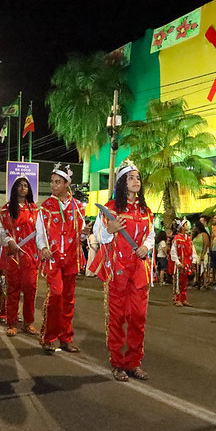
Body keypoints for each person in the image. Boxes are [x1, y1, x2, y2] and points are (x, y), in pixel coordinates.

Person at [91, 160, 155, 382]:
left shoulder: (145, 210)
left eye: (137, 178)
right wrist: (110, 229)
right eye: (131, 178)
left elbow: (151, 234)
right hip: (116, 269)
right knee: (117, 318)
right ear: (121, 182)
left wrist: (146, 246)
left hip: (138, 270)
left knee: (138, 317)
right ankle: (118, 363)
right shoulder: (110, 208)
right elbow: (99, 235)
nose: (136, 181)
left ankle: (134, 362)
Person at [37, 164, 87, 353]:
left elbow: (80, 234)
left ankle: (66, 338)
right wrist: (43, 247)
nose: (53, 185)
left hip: (72, 259)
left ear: (67, 184)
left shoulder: (77, 207)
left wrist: (84, 234)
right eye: (52, 182)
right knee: (56, 295)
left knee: (69, 299)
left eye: (58, 182)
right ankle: (48, 337)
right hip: (54, 258)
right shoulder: (46, 206)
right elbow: (39, 231)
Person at [0, 176, 41, 337]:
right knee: (12, 291)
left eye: (26, 185)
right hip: (13, 257)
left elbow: (41, 234)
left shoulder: (35, 210)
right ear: (15, 188)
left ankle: (28, 323)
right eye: (20, 185)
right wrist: (8, 241)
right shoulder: (6, 209)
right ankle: (12, 323)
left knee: (31, 291)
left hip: (30, 257)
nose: (23, 187)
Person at [169, 220, 196, 307]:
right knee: (178, 282)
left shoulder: (188, 238)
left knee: (184, 282)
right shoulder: (177, 239)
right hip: (180, 263)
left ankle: (183, 298)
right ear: (181, 227)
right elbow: (173, 252)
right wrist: (177, 262)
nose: (188, 226)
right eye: (186, 224)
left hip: (187, 263)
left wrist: (194, 260)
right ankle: (177, 299)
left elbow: (192, 250)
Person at [191, 221, 210, 289]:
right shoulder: (195, 235)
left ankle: (204, 283)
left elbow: (206, 245)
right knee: (196, 269)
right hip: (196, 254)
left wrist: (203, 255)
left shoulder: (204, 234)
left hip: (202, 254)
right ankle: (198, 281)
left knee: (203, 269)